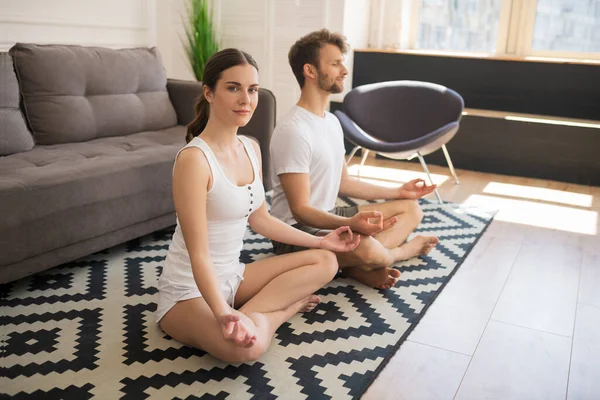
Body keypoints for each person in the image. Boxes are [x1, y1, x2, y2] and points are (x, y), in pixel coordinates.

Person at [156, 48, 360, 364]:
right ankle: (280, 312)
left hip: (234, 277)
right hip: (188, 290)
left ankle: (246, 316)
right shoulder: (194, 161)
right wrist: (222, 311)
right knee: (246, 350)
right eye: (233, 88)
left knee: (326, 260)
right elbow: (199, 255)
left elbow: (261, 220)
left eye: (252, 89)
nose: (246, 99)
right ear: (209, 92)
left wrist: (321, 240)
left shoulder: (251, 147)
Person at [269, 29, 439, 290]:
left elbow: (344, 183)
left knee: (410, 208)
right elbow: (300, 210)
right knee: (367, 244)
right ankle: (397, 253)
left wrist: (398, 191)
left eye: (342, 62)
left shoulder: (332, 122)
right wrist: (350, 224)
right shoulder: (293, 130)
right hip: (296, 234)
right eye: (335, 63)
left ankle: (356, 266)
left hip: (328, 214)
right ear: (310, 71)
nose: (344, 70)